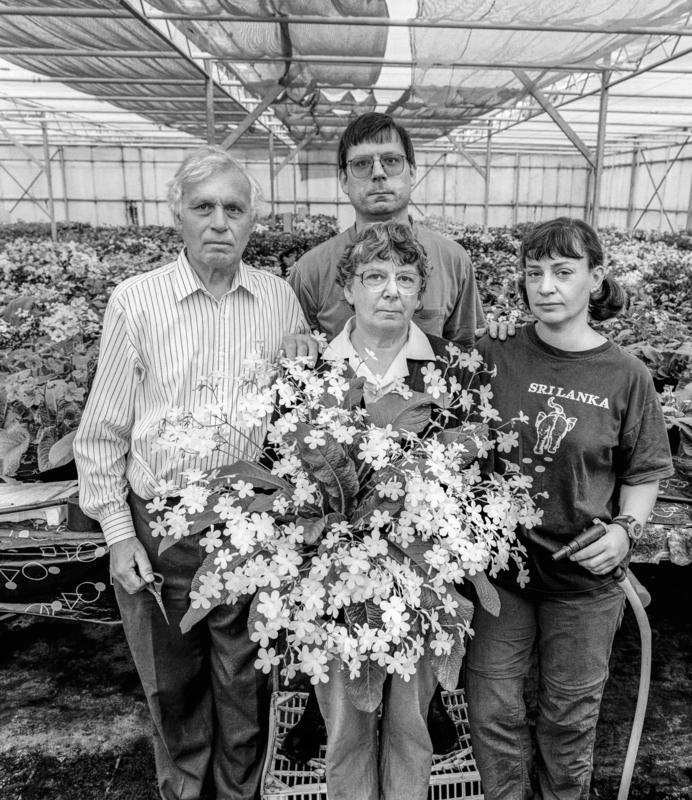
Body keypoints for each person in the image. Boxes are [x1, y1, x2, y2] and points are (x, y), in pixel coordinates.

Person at [74, 146, 308, 800]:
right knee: (172, 686)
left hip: (246, 525)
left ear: (252, 221)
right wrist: (120, 536)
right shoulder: (137, 302)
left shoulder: (278, 301)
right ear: (176, 211)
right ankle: (185, 792)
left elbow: (295, 418)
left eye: (234, 209)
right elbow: (103, 431)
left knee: (244, 683)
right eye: (203, 206)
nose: (219, 222)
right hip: (162, 530)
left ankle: (239, 793)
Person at [466, 218, 674, 800]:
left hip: (585, 579)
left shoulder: (626, 374)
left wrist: (627, 530)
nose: (546, 286)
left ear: (595, 277)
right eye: (534, 274)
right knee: (492, 711)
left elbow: (643, 472)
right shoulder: (493, 351)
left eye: (563, 272)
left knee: (568, 719)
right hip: (501, 574)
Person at [312, 220, 471, 800]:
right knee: (346, 733)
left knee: (411, 728)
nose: (391, 291)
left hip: (420, 582)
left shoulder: (448, 370)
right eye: (374, 276)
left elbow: (470, 471)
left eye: (405, 278)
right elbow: (289, 478)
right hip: (336, 584)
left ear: (421, 291)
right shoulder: (311, 371)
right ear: (347, 289)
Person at [289, 111, 487, 351]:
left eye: (391, 161)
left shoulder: (453, 260)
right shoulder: (312, 270)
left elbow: (466, 351)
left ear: (412, 172)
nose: (378, 173)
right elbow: (296, 354)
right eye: (361, 164)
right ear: (343, 179)